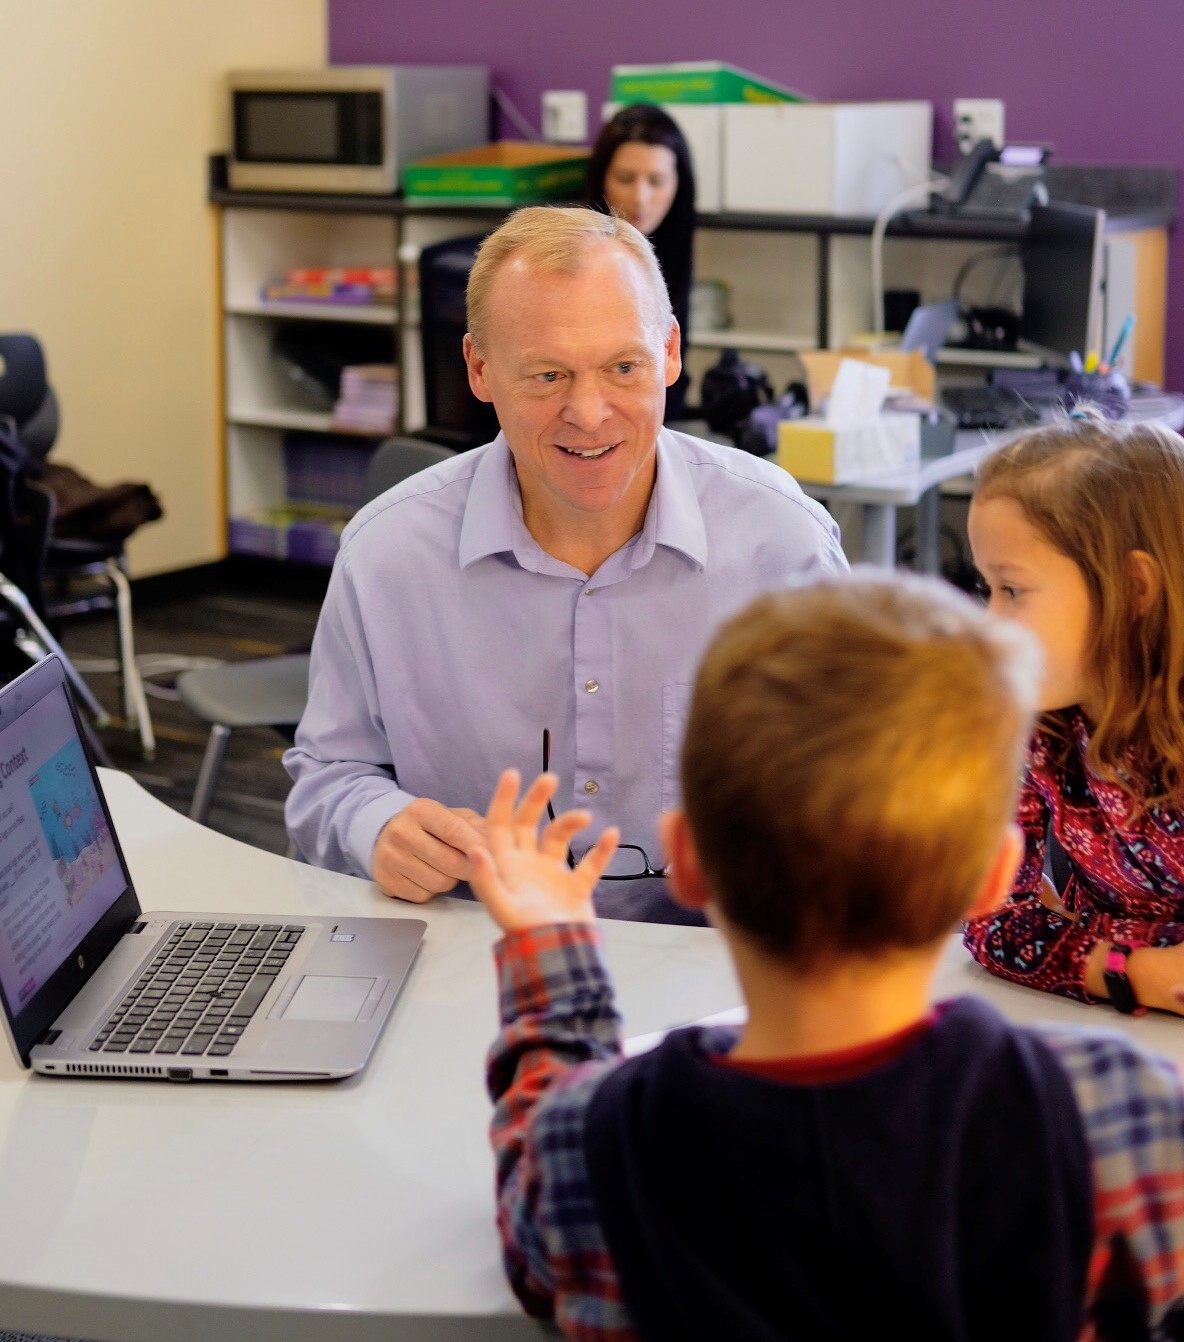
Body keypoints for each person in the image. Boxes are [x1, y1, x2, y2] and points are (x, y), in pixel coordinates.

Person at [471, 571, 1184, 1341]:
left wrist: (552, 952)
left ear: (688, 860)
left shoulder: (589, 1153)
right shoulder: (1125, 1112)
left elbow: (533, 1171)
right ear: (993, 878)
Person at [283, 206, 845, 924]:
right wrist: (377, 826)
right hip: (476, 951)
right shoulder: (387, 556)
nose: (589, 412)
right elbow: (328, 776)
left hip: (720, 960)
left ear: (671, 353)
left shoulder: (784, 543)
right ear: (480, 370)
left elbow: (864, 780)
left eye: (623, 367)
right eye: (547, 375)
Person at [964, 414, 1184, 1013]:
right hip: (1111, 1025)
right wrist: (1134, 972)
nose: (989, 622)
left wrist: (1079, 942)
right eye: (986, 588)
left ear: (1134, 589)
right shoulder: (1037, 722)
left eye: (1012, 590)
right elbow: (987, 916)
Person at [587, 105, 695, 420]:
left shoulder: (674, 242)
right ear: (602, 177)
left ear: (679, 183)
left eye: (657, 181)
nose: (640, 198)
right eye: (625, 178)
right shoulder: (579, 252)